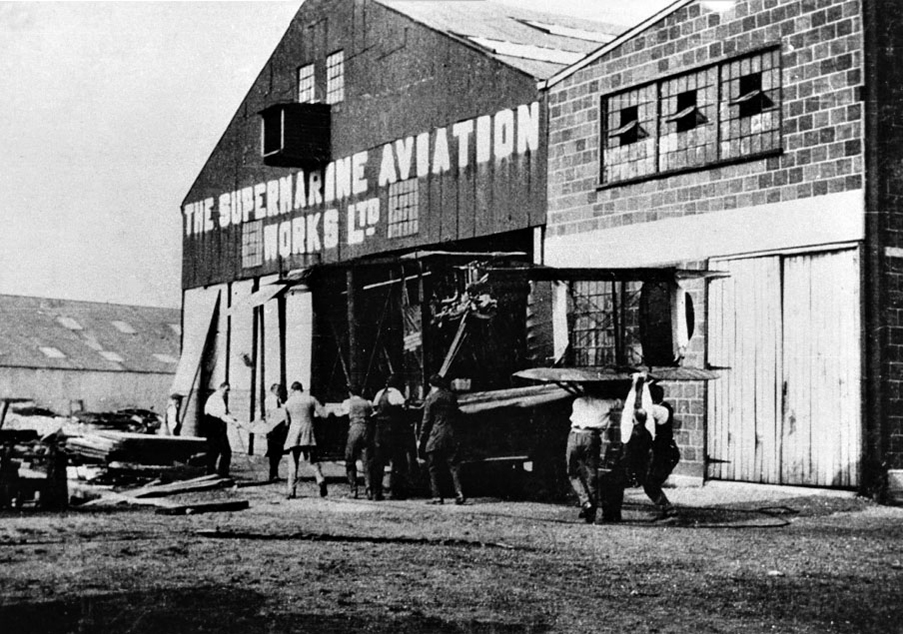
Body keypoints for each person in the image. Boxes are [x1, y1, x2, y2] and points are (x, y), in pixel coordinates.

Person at [566, 383, 621, 524]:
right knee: (592, 475)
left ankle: (585, 501)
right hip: (592, 437)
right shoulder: (605, 404)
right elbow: (621, 403)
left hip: (575, 435)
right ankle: (592, 512)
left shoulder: (577, 402)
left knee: (572, 472)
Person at [418, 373, 465, 505]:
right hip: (452, 434)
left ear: (430, 385)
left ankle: (437, 497)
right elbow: (457, 414)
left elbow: (426, 421)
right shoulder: (451, 396)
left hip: (436, 435)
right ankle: (459, 493)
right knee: (454, 465)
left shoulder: (431, 399)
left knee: (433, 466)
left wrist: (421, 438)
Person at [283, 381, 328, 499]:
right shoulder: (311, 399)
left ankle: (291, 490)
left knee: (293, 463)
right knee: (312, 460)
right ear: (302, 389)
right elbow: (324, 414)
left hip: (294, 435)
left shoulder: (288, 403)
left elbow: (287, 422)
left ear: (292, 390)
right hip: (308, 433)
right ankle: (320, 479)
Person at [372, 374, 410, 500]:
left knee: (378, 463)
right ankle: (397, 492)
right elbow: (403, 407)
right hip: (393, 432)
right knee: (398, 462)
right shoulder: (397, 394)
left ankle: (375, 492)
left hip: (379, 431)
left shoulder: (379, 393)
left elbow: (375, 407)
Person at [342, 382, 375, 499]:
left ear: (350, 392)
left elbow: (342, 413)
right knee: (367, 460)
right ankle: (369, 489)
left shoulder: (348, 402)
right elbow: (371, 414)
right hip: (367, 429)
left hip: (354, 428)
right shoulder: (368, 403)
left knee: (350, 458)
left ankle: (353, 490)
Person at [202, 382, 240, 477]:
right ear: (221, 387)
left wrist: (233, 418)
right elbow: (221, 415)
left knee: (214, 450)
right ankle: (222, 473)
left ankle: (210, 471)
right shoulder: (216, 399)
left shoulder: (218, 398)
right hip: (214, 427)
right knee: (226, 451)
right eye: (226, 390)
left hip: (215, 427)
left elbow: (225, 412)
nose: (227, 392)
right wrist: (233, 423)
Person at [264, 383, 288, 482]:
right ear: (273, 390)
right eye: (277, 389)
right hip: (274, 427)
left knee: (277, 452)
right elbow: (274, 412)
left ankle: (274, 473)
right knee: (274, 451)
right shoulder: (271, 399)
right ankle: (273, 473)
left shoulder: (277, 399)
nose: (279, 392)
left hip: (277, 427)